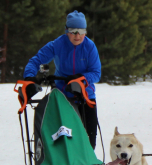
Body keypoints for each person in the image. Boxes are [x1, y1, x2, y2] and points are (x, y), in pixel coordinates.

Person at [23, 10, 102, 149]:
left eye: (81, 31)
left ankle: (87, 163)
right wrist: (29, 77)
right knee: (62, 136)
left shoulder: (90, 47)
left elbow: (96, 73)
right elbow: (35, 61)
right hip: (62, 95)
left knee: (89, 138)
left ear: (85, 32)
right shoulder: (57, 44)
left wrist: (82, 78)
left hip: (86, 95)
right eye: (73, 31)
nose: (77, 36)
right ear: (66, 31)